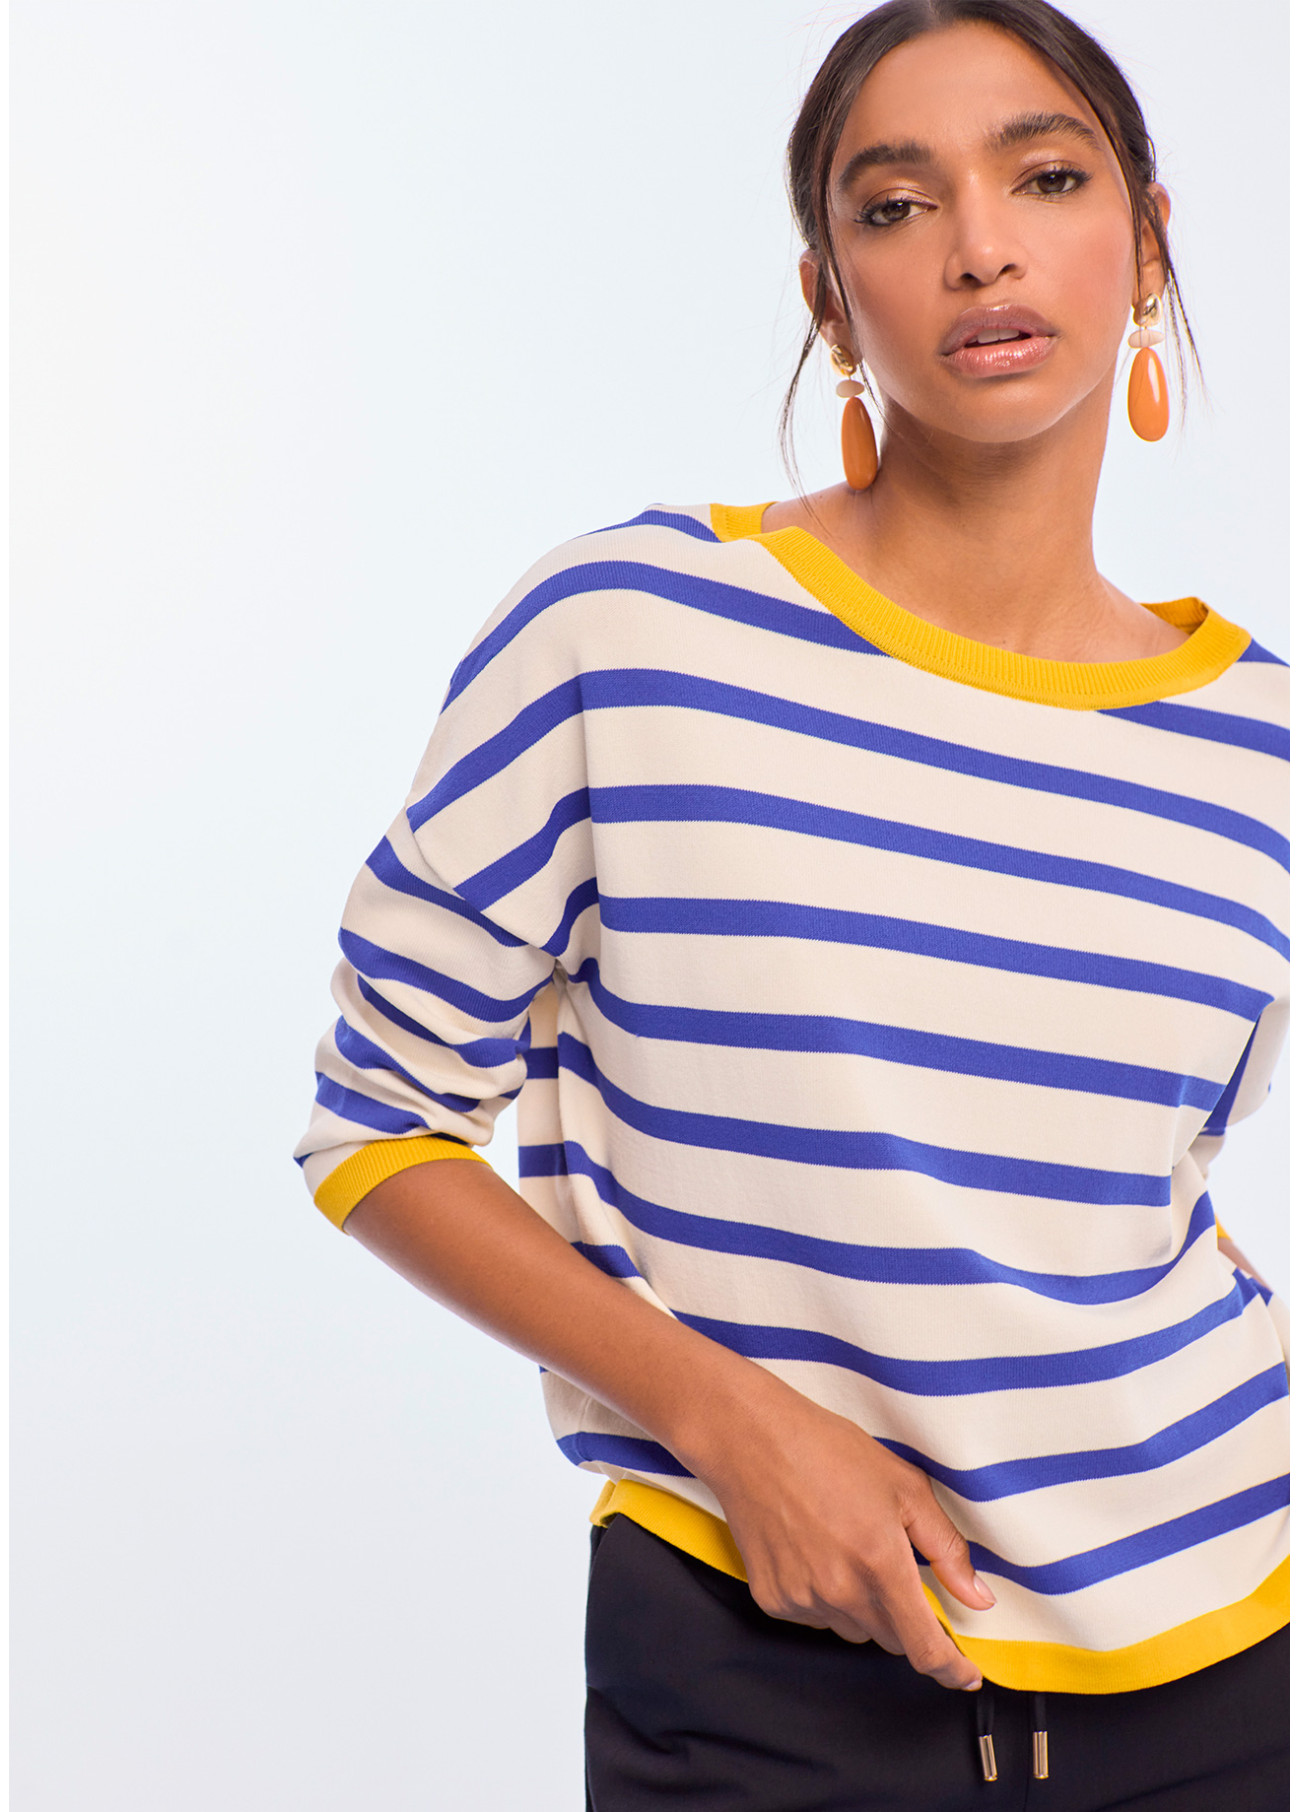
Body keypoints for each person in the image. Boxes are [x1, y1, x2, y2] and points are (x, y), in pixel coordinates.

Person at [294, 1, 1289, 1804]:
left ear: (1146, 244)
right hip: (754, 1663)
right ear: (833, 298)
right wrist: (732, 1423)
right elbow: (377, 1128)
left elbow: (1145, 1196)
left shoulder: (1260, 751)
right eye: (896, 206)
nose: (980, 246)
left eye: (1045, 179)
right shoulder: (630, 633)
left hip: (1218, 1661)